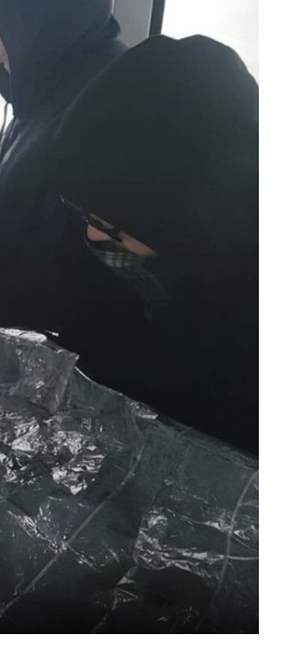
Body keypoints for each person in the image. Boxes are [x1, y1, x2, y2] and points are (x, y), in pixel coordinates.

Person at [51, 34, 257, 454]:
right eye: (83, 215)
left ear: (184, 219)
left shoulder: (248, 323)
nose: (92, 237)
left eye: (112, 227)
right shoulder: (114, 273)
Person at [0, 0, 129, 332]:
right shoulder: (46, 92)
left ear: (39, 32)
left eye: (3, 41)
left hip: (36, 344)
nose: (0, 57)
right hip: (3, 337)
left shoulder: (99, 108)